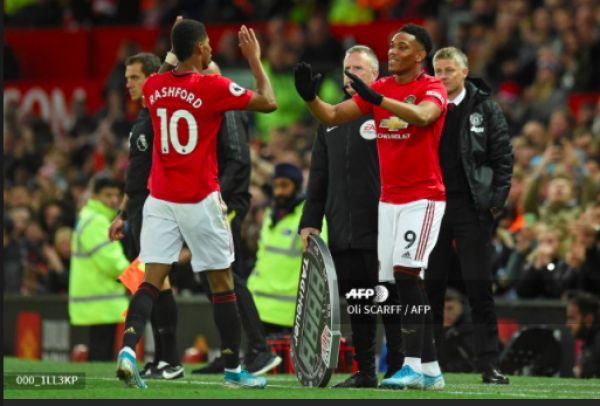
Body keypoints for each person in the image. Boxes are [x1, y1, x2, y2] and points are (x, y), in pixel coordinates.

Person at [115, 19, 276, 389]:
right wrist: (254, 59)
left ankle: (127, 349)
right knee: (222, 284)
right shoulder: (212, 86)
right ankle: (236, 370)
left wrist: (176, 43)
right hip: (200, 200)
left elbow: (170, 67)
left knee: (150, 283)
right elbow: (269, 102)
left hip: (160, 201)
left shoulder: (153, 87)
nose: (211, 51)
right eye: (207, 46)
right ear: (201, 47)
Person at [294, 23, 447, 390]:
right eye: (391, 45)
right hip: (387, 203)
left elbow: (425, 116)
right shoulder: (379, 90)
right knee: (394, 285)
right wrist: (310, 98)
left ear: (420, 55)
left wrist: (377, 101)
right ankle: (428, 368)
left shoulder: (430, 86)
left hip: (422, 196)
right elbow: (331, 116)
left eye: (402, 46)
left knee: (405, 279)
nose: (393, 50)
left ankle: (408, 365)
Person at [298, 45, 404, 388]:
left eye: (358, 67)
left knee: (388, 298)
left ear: (376, 75)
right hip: (342, 226)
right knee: (358, 300)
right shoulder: (330, 120)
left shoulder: (386, 113)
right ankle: (365, 371)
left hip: (382, 224)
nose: (350, 74)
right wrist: (310, 221)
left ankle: (400, 367)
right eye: (346, 68)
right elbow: (319, 177)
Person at [426, 46, 512, 385]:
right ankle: (428, 364)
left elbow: (503, 158)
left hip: (470, 207)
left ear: (464, 72)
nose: (443, 76)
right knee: (431, 286)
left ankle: (489, 363)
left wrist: (493, 205)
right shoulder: (425, 108)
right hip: (432, 207)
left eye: (449, 70)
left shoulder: (486, 108)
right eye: (438, 70)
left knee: (479, 286)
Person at [191, 63, 281, 376]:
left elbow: (239, 161)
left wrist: (212, 197)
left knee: (225, 274)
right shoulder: (204, 107)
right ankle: (232, 351)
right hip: (212, 200)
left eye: (204, 76)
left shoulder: (224, 104)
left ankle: (259, 349)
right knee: (210, 275)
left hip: (224, 202)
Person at [109, 52, 184, 380]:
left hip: (157, 206)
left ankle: (171, 360)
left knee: (154, 280)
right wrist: (122, 212)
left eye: (135, 77)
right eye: (126, 78)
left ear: (152, 79)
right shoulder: (141, 118)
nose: (128, 84)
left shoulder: (157, 114)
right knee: (153, 282)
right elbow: (136, 174)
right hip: (138, 207)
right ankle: (163, 360)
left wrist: (172, 51)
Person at [247, 163, 320, 334]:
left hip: (291, 311)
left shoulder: (310, 217)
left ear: (297, 187)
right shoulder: (269, 214)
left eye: (285, 185)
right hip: (258, 306)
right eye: (276, 185)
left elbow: (318, 261)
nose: (279, 191)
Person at [69, 176, 129, 361]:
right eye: (107, 195)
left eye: (116, 195)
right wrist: (140, 278)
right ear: (94, 195)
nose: (113, 200)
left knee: (100, 351)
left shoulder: (90, 218)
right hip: (102, 299)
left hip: (98, 299)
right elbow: (111, 262)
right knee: (101, 354)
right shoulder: (96, 221)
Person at [566, 292, 600, 378]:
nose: (568, 325)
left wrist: (583, 371)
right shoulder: (589, 340)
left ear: (588, 319)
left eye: (572, 318)